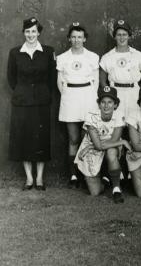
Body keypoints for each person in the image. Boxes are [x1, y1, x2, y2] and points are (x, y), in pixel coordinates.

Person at [7, 17, 56, 190]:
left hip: (41, 102)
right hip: (22, 102)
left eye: (34, 31)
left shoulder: (48, 52)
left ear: (39, 33)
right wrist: (24, 92)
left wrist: (41, 93)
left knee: (41, 139)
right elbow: (11, 78)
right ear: (23, 33)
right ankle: (29, 178)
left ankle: (40, 178)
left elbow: (52, 78)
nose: (30, 35)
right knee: (24, 138)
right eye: (27, 31)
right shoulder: (15, 53)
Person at [57, 22, 99, 188]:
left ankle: (86, 173)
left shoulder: (93, 57)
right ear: (69, 38)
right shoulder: (62, 58)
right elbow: (59, 83)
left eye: (79, 37)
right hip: (70, 99)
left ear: (84, 39)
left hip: (88, 98)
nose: (76, 40)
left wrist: (89, 97)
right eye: (73, 37)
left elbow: (95, 82)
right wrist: (69, 96)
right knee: (73, 138)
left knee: (87, 137)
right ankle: (74, 175)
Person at [75, 86, 130, 203]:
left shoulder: (119, 115)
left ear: (115, 104)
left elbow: (113, 141)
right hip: (92, 145)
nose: (106, 105)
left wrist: (118, 142)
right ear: (99, 104)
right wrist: (123, 141)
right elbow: (98, 146)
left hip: (109, 146)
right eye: (103, 102)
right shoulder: (91, 116)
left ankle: (116, 189)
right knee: (95, 192)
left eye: (110, 102)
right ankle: (105, 179)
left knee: (111, 152)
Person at [99, 19, 141, 119]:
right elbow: (102, 81)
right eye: (119, 35)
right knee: (116, 122)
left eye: (124, 34)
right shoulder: (107, 57)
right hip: (115, 92)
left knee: (134, 122)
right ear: (115, 36)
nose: (122, 38)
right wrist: (110, 95)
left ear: (129, 36)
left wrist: (139, 93)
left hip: (133, 92)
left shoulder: (138, 55)